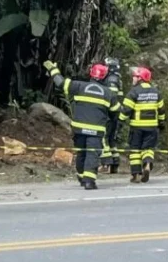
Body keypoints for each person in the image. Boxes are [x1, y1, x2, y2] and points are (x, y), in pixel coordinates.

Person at [43, 60, 119, 190]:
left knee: (82, 153)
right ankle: (89, 181)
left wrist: (53, 70)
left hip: (79, 129)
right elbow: (115, 113)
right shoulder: (108, 94)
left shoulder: (78, 86)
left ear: (91, 73)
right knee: (92, 154)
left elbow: (60, 82)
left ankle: (81, 176)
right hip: (96, 131)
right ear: (105, 77)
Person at [119, 66, 164, 183]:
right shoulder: (156, 92)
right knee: (148, 148)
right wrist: (161, 123)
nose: (133, 78)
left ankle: (136, 174)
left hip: (137, 127)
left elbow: (126, 110)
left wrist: (120, 122)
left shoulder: (133, 92)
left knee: (135, 150)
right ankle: (147, 164)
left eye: (135, 76)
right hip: (152, 127)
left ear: (140, 78)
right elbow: (161, 110)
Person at [101, 57, 124, 173]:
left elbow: (111, 96)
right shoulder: (118, 78)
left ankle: (106, 164)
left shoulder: (111, 79)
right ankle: (114, 163)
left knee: (104, 137)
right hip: (116, 113)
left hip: (109, 113)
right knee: (112, 139)